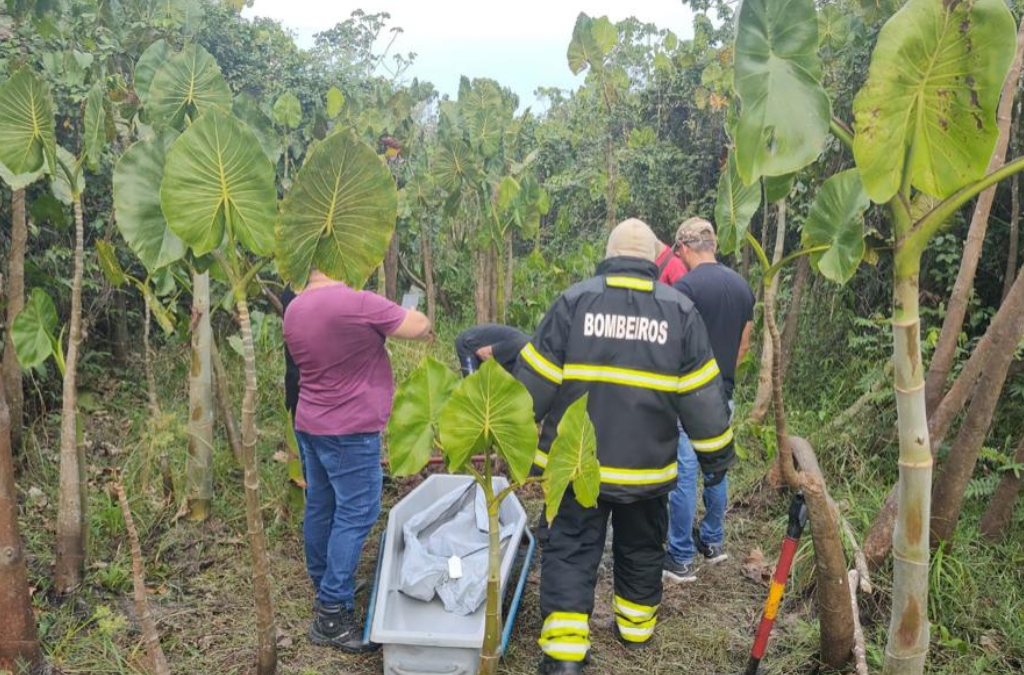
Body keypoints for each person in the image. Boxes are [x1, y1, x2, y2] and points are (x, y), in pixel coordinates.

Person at [516, 219, 736, 674]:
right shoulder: (679, 311)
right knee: (640, 546)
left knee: (572, 547)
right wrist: (716, 459)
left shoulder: (575, 302)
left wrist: (512, 441)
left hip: (575, 465)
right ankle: (635, 631)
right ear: (653, 260)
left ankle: (563, 656)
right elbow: (701, 398)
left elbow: (530, 387)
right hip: (646, 468)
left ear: (609, 254)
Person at [283, 269, 432, 651]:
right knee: (358, 511)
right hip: (349, 429)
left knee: (322, 503)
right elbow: (418, 325)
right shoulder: (357, 302)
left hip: (310, 421)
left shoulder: (295, 307)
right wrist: (392, 311)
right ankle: (332, 613)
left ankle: (327, 580)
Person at [663, 218, 755, 584]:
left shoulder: (684, 287)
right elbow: (743, 346)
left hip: (689, 395)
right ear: (713, 245)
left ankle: (681, 556)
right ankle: (714, 542)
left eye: (679, 252)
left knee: (685, 470)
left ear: (685, 248)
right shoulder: (742, 287)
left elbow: (674, 346)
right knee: (716, 467)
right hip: (722, 393)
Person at [455, 323, 530, 376]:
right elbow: (482, 353)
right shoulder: (518, 345)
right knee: (472, 388)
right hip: (468, 344)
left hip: (484, 350)